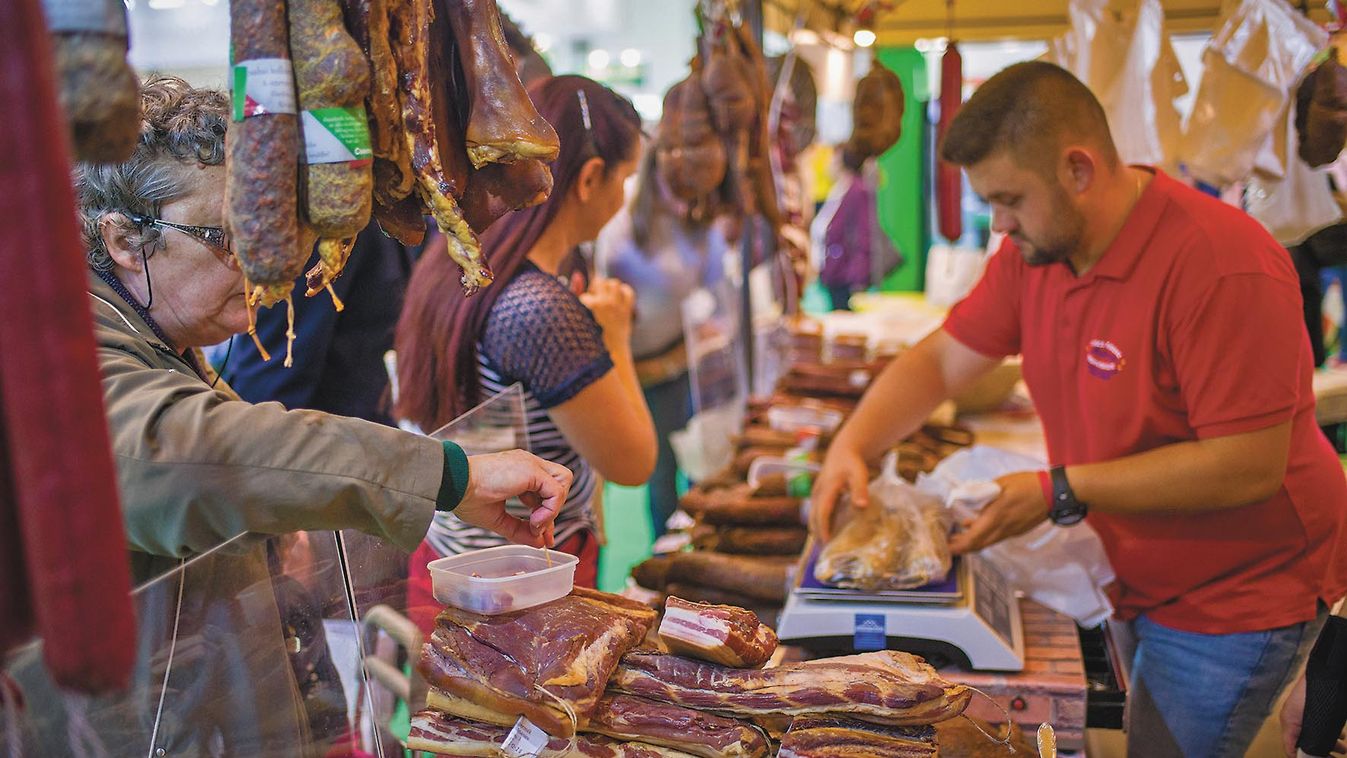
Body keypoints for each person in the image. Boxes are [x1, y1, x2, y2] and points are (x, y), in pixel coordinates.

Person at [15, 75, 573, 755]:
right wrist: (447, 474)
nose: (263, 265)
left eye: (270, 233)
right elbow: (186, 456)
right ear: (127, 241)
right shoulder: (53, 348)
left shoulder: (157, 329)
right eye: (228, 238)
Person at [809, 62, 1347, 758]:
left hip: (1239, 585)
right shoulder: (1036, 252)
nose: (997, 223)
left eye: (1008, 199)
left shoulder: (1220, 264)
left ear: (1078, 170)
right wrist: (848, 447)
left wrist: (1059, 489)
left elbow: (1245, 466)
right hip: (1135, 559)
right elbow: (939, 362)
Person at [395, 75, 656, 627]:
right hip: (525, 587)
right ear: (590, 179)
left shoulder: (454, 260)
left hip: (448, 560)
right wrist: (614, 337)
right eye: (625, 179)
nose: (623, 196)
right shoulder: (538, 307)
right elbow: (633, 462)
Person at [596, 147, 728, 537]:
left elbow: (714, 284)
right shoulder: (623, 228)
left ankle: (692, 544)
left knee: (698, 459)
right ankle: (668, 557)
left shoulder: (691, 222)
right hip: (639, 365)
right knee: (660, 473)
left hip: (681, 358)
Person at [223, 223, 417, 425]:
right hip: (317, 430)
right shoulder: (322, 222)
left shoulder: (352, 217)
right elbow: (276, 367)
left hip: (350, 428)